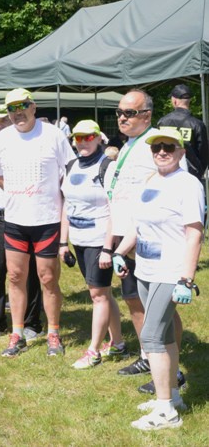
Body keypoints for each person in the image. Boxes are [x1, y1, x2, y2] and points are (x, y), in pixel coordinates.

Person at [112, 127, 203, 430]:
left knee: (150, 337)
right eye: (156, 148)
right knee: (164, 337)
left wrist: (186, 279)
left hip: (170, 271)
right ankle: (173, 396)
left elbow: (194, 233)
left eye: (168, 147)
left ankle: (166, 412)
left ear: (181, 152)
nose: (161, 152)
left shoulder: (188, 184)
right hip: (145, 269)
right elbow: (139, 227)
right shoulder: (150, 180)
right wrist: (120, 253)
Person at [108, 90, 186, 394]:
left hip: (155, 240)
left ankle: (172, 368)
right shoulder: (129, 145)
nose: (122, 118)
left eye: (129, 113)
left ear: (147, 115)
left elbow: (178, 187)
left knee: (163, 307)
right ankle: (147, 355)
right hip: (129, 237)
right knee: (135, 299)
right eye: (119, 112)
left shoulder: (159, 144)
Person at [0, 88, 76, 357]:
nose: (17, 112)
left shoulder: (54, 134)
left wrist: (46, 196)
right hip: (15, 219)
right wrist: (21, 193)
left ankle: (53, 333)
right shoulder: (2, 138)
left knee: (47, 278)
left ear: (33, 106)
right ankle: (17, 334)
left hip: (47, 219)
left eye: (22, 106)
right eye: (12, 108)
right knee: (15, 276)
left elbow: (69, 175)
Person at [59, 120, 124, 369]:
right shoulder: (71, 165)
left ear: (99, 138)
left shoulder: (108, 166)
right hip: (79, 239)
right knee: (102, 293)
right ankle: (117, 343)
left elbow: (113, 209)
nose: (82, 142)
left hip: (99, 240)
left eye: (88, 137)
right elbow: (66, 205)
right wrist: (63, 242)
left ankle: (93, 350)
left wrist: (108, 248)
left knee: (97, 295)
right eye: (78, 138)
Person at [0, 105, 44, 340]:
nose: (0, 125)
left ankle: (31, 322)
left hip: (25, 214)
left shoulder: (28, 145)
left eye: (3, 121)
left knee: (28, 272)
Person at [158, 83, 208, 181]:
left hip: (167, 171)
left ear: (175, 101)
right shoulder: (197, 124)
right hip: (192, 174)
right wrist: (199, 171)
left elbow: (158, 146)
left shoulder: (162, 122)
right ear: (189, 101)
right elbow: (204, 152)